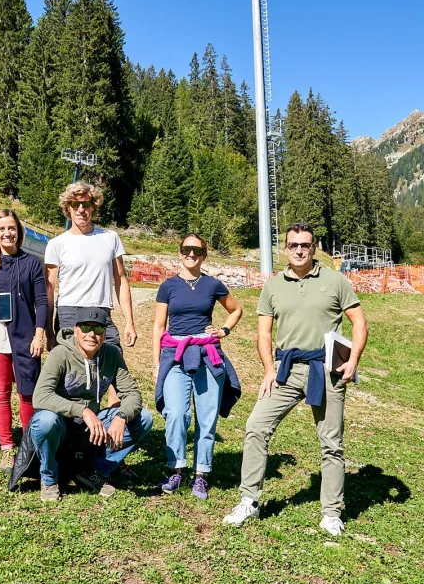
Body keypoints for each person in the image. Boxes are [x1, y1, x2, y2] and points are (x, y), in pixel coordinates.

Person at [223, 223, 368, 535]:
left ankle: (331, 513)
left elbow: (359, 322)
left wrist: (353, 360)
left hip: (326, 368)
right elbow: (263, 332)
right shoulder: (273, 286)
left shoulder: (336, 280)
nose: (299, 250)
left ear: (314, 247)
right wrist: (268, 370)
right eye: (293, 245)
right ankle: (249, 500)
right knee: (256, 427)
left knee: (331, 443)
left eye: (305, 244)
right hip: (286, 369)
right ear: (284, 249)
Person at [152, 233, 243, 500]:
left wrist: (224, 330)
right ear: (179, 253)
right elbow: (159, 326)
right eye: (186, 249)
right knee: (176, 413)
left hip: (207, 355)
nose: (190, 254)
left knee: (207, 416)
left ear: (204, 255)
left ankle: (201, 474)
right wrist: (156, 362)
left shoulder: (214, 284)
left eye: (196, 250)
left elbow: (236, 310)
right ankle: (176, 469)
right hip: (175, 355)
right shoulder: (168, 286)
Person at [29, 307, 154, 502]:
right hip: (61, 424)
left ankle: (94, 471)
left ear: (105, 333)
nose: (91, 334)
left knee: (144, 418)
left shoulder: (111, 355)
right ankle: (49, 478)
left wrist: (121, 417)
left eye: (98, 329)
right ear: (76, 329)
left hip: (92, 428)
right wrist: (83, 411)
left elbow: (132, 394)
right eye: (86, 327)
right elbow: (41, 396)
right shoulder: (60, 354)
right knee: (44, 420)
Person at [0, 210, 49, 473]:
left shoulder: (32, 263)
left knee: (27, 393)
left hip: (25, 338)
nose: (7, 233)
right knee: (0, 394)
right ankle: (7, 449)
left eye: (12, 228)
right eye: (2, 229)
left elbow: (42, 301)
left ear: (19, 231)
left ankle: (30, 445)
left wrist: (40, 333)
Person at [44, 181, 136, 374]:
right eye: (75, 205)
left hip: (101, 310)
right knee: (72, 372)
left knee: (115, 366)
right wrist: (49, 330)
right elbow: (49, 289)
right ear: (67, 208)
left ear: (93, 207)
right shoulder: (56, 244)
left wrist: (129, 321)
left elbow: (120, 279)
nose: (80, 210)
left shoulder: (110, 238)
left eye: (85, 204)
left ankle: (116, 405)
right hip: (69, 312)